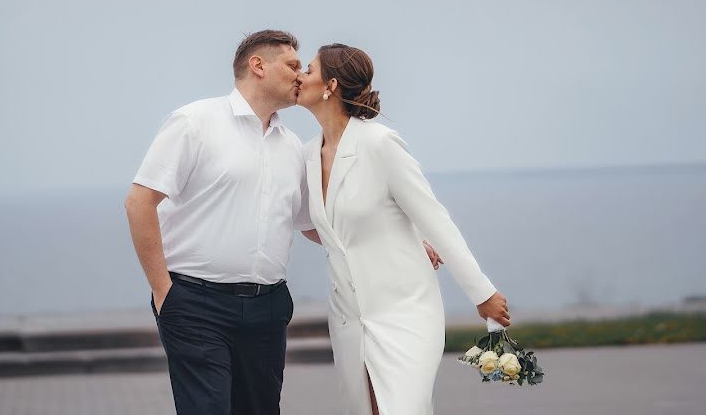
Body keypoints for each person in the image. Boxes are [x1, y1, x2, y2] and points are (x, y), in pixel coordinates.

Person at [295, 43, 511, 415]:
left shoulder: (381, 144)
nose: (299, 75)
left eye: (309, 70)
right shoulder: (307, 155)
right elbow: (318, 227)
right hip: (348, 319)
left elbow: (434, 219)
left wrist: (482, 293)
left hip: (404, 311)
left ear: (330, 85)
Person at [124, 30, 312, 414]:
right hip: (196, 305)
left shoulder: (292, 145)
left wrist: (398, 240)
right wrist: (165, 292)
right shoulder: (194, 122)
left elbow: (312, 224)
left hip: (269, 309)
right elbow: (139, 202)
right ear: (258, 65)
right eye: (293, 65)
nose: (301, 76)